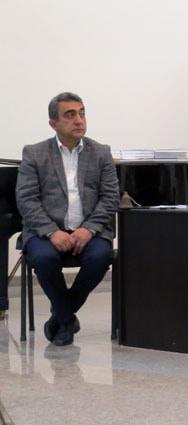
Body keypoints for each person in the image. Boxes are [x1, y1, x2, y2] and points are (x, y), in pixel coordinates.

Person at [15, 92, 119, 346]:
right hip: (45, 232)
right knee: (44, 258)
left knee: (101, 256)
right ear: (53, 123)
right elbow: (27, 199)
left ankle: (60, 316)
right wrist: (52, 232)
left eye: (81, 113)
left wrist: (89, 229)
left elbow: (110, 197)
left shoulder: (101, 152)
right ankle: (66, 318)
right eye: (70, 115)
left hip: (90, 230)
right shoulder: (34, 153)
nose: (79, 120)